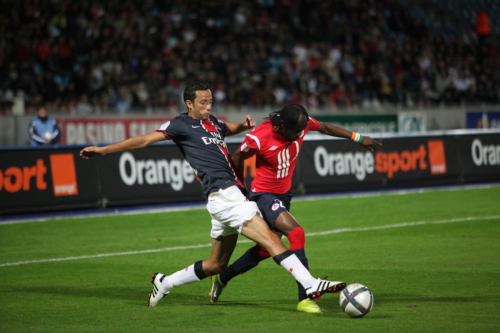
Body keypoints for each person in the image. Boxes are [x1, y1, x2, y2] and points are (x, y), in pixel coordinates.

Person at [79, 82, 347, 308]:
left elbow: (225, 127)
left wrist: (241, 126)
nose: (209, 107)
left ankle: (165, 282)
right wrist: (103, 150)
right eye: (203, 103)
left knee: (216, 264)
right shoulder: (179, 125)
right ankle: (310, 285)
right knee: (270, 239)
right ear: (189, 104)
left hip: (224, 197)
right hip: (225, 193)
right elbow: (144, 140)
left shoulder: (213, 123)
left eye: (210, 102)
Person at [208, 103, 382, 313]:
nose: (300, 134)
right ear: (281, 125)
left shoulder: (301, 124)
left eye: (302, 129)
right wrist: (241, 189)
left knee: (265, 249)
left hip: (284, 196)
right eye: (296, 131)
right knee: (296, 232)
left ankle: (222, 277)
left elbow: (325, 127)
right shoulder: (258, 137)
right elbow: (237, 157)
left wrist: (359, 138)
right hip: (263, 195)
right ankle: (306, 297)